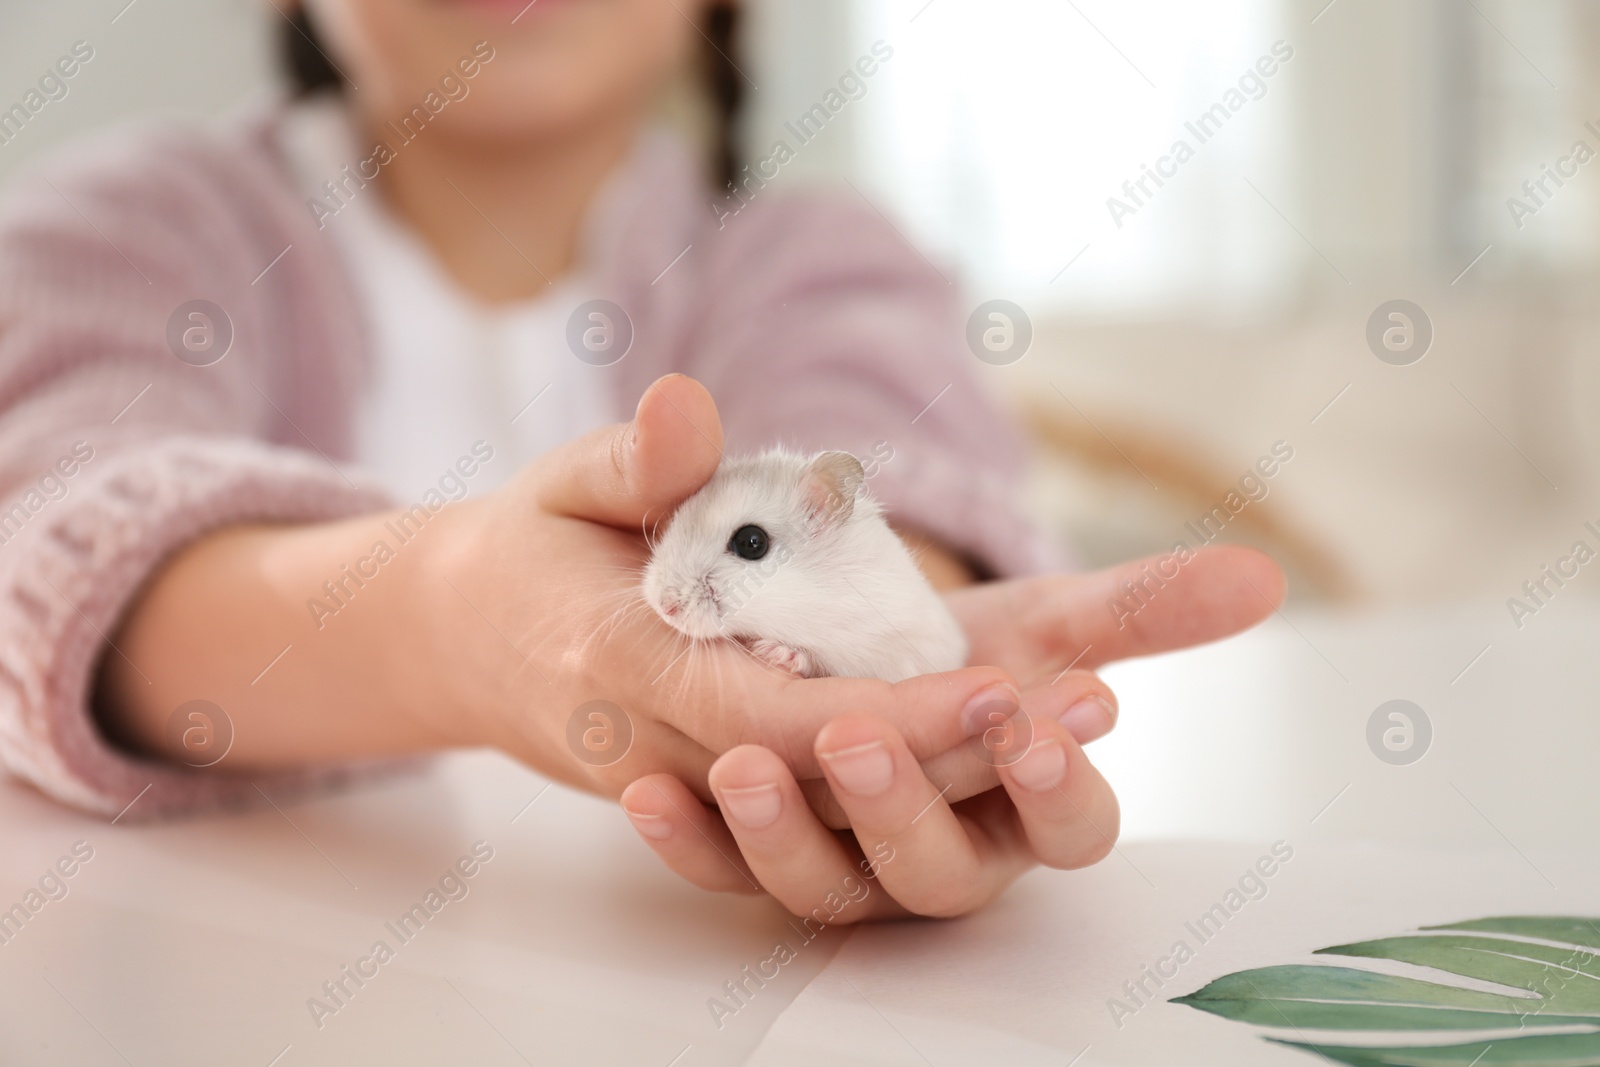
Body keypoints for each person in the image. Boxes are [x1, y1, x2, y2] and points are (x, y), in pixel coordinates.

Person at [0, 0, 1282, 919]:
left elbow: (890, 471)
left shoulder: (814, 263)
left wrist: (894, 716)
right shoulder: (125, 231)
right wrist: (449, 622)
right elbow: (46, 525)